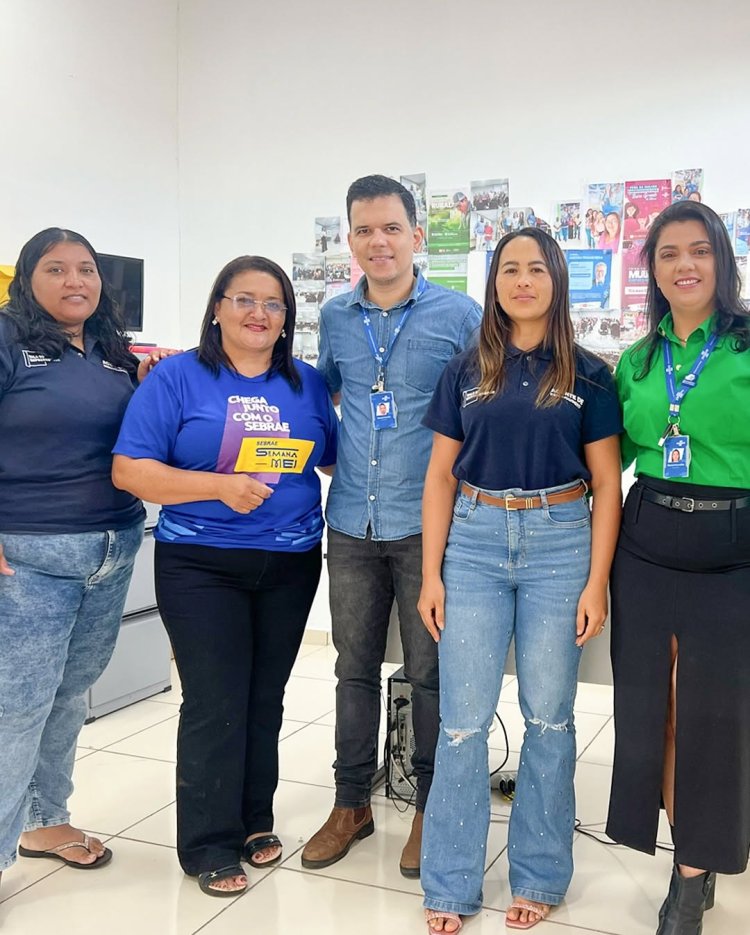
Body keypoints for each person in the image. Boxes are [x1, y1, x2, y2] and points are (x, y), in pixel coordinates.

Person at [112, 255, 337, 897]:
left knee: (265, 697)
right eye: (244, 299)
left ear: (287, 317)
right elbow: (129, 470)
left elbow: (332, 460)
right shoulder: (177, 377)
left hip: (291, 562)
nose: (258, 313)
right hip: (201, 563)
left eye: (273, 303)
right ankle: (209, 841)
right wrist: (217, 486)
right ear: (217, 308)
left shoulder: (307, 384)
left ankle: (253, 818)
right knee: (215, 701)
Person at [417, 227, 622, 933]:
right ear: (494, 282)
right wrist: (431, 574)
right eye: (510, 269)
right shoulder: (465, 368)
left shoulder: (588, 375)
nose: (523, 280)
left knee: (550, 718)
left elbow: (606, 484)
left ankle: (538, 873)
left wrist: (596, 582)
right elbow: (440, 477)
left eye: (537, 268)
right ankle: (451, 881)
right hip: (473, 542)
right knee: (463, 722)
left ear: (557, 280)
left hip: (560, 543)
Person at [302, 175, 482, 879]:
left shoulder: (459, 315)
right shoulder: (336, 316)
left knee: (429, 673)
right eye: (364, 230)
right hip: (350, 521)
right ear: (349, 239)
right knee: (352, 668)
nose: (378, 241)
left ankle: (430, 807)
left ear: (416, 236)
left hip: (427, 527)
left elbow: (482, 408)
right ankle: (351, 803)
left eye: (391, 228)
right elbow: (324, 394)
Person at [0, 228, 167, 885]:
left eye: (87, 269)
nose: (75, 280)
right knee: (17, 706)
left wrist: (149, 385)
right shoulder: (7, 339)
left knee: (68, 695)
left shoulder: (111, 352)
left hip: (112, 548)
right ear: (27, 279)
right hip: (31, 553)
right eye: (56, 268)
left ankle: (45, 820)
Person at [606, 200, 750, 934]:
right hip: (648, 540)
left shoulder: (746, 346)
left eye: (699, 250)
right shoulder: (636, 361)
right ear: (653, 271)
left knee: (713, 716)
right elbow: (613, 462)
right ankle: (686, 856)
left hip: (733, 548)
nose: (684, 265)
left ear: (722, 260)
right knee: (652, 711)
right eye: (668, 254)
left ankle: (695, 871)